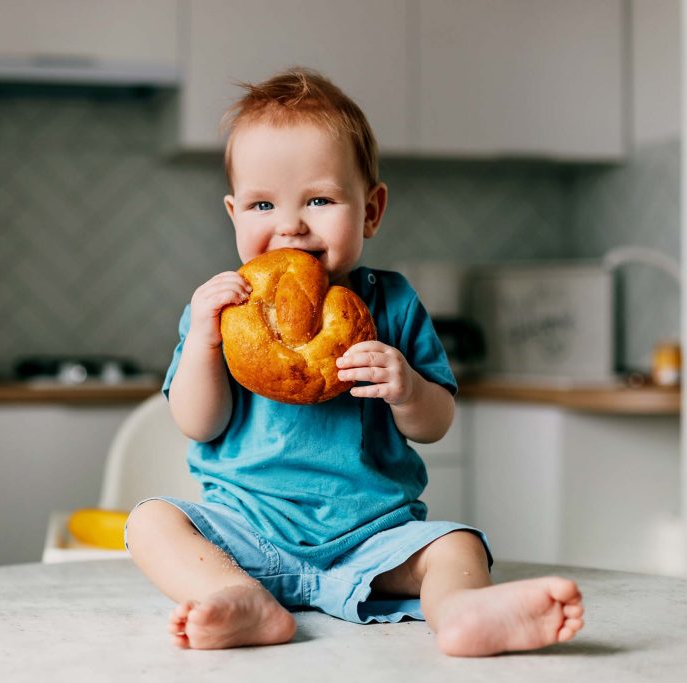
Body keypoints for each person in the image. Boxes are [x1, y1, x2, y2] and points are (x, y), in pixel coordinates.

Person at [124, 68, 584, 656]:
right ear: (234, 213)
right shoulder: (223, 308)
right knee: (150, 522)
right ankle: (239, 597)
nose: (290, 224)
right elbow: (198, 422)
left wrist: (407, 389)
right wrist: (204, 345)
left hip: (374, 538)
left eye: (319, 199)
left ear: (370, 210)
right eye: (263, 203)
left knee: (456, 545)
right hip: (249, 533)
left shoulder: (391, 302)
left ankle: (466, 612)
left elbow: (436, 422)